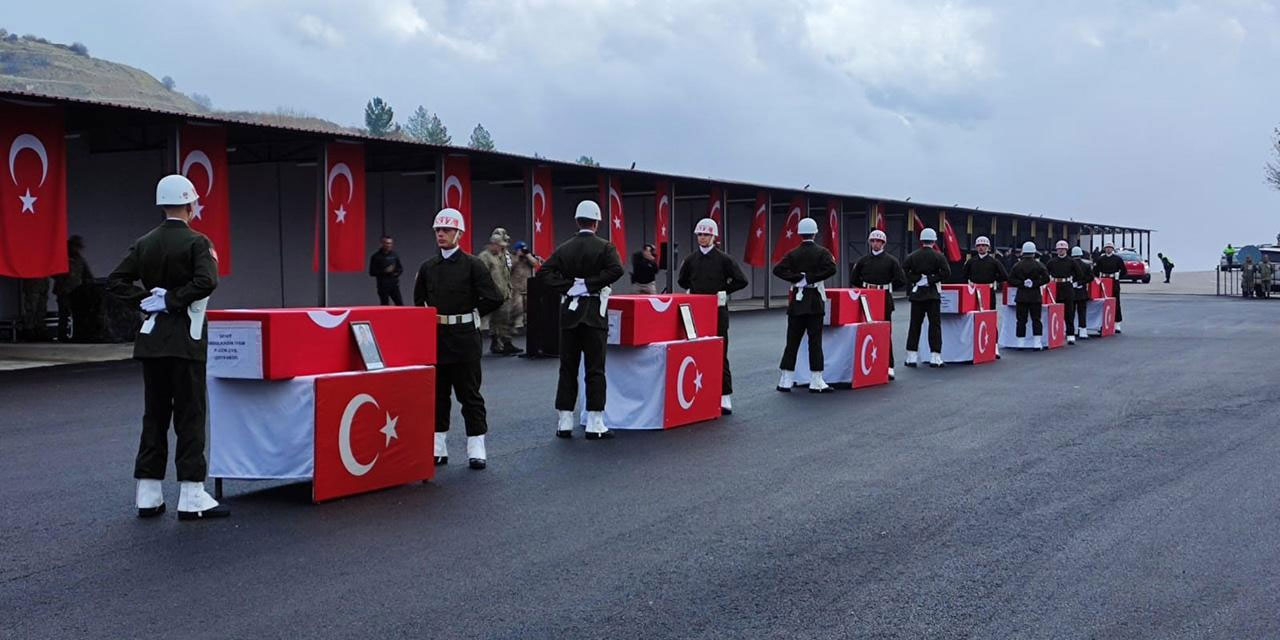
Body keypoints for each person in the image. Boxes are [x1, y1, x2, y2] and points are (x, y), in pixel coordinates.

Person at [106, 174, 225, 520]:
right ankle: (191, 494)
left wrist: (146, 299)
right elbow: (207, 281)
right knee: (190, 415)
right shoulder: (198, 242)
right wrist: (173, 300)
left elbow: (115, 281)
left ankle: (148, 492)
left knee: (154, 416)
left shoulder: (144, 243)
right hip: (186, 340)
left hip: (151, 340)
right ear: (190, 204)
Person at [413, 209, 504, 469]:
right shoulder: (428, 267)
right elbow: (419, 301)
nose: (441, 234)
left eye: (447, 230)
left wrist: (474, 313)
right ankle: (437, 446)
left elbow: (495, 296)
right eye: (438, 230)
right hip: (438, 336)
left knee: (469, 394)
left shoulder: (473, 265)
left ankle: (476, 446)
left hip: (465, 336)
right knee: (438, 395)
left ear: (459, 234)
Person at [537, 201, 625, 439]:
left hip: (569, 312)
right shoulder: (605, 247)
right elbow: (617, 270)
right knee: (595, 368)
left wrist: (569, 287)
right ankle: (596, 422)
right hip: (594, 312)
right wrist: (589, 284)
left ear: (577, 221)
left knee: (567, 367)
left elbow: (543, 273)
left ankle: (564, 421)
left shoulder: (564, 248)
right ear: (596, 222)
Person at [677, 218, 749, 414]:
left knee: (720, 351)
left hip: (717, 310)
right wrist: (693, 290)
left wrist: (725, 290)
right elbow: (682, 280)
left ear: (714, 236)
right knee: (696, 349)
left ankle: (724, 396)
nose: (702, 238)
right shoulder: (691, 259)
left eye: (706, 235)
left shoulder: (725, 259)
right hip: (696, 310)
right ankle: (699, 392)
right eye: (700, 235)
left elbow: (742, 280)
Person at [774, 217, 837, 392]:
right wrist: (810, 278)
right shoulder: (823, 252)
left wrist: (798, 278)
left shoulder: (792, 254)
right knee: (815, 341)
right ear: (815, 233)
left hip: (797, 301)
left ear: (799, 234)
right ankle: (816, 380)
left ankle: (785, 379)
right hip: (815, 300)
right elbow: (831, 269)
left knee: (792, 341)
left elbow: (778, 269)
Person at [851, 229, 907, 378]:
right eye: (873, 241)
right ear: (870, 243)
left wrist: (886, 287)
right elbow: (854, 279)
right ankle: (866, 362)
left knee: (885, 332)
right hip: (866, 298)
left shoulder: (891, 261)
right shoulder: (862, 261)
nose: (875, 244)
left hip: (883, 298)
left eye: (878, 241)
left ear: (883, 243)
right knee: (866, 330)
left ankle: (889, 365)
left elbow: (901, 280)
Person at [902, 228, 951, 368]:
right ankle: (935, 357)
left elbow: (904, 270)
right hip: (933, 294)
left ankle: (911, 356)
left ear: (921, 240)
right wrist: (930, 279)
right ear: (934, 240)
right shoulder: (939, 256)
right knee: (934, 326)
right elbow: (946, 273)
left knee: (914, 325)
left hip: (917, 295)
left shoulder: (912, 256)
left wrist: (917, 279)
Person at [478, 230, 521, 355]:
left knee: (503, 318)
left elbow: (508, 272)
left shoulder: (502, 256)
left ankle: (500, 343)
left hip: (504, 292)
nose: (502, 248)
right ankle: (502, 343)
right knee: (500, 319)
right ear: (493, 244)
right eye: (500, 245)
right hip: (493, 294)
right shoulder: (485, 257)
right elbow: (482, 275)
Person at [1008, 241, 1051, 347]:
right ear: (1034, 252)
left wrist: (1022, 284)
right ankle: (1037, 343)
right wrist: (1034, 283)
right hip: (1035, 295)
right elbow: (1047, 278)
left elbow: (1010, 279)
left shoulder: (1017, 265)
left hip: (1021, 296)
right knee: (1036, 319)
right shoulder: (1039, 265)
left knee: (1021, 320)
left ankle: (1020, 343)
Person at [53, 236, 93, 341]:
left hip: (77, 291)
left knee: (78, 314)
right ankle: (62, 336)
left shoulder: (79, 259)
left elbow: (87, 274)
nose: (76, 249)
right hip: (63, 290)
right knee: (64, 314)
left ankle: (77, 335)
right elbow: (54, 273)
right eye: (75, 246)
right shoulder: (62, 258)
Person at [1046, 240, 1086, 345]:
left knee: (1069, 312)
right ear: (1056, 250)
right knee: (1055, 311)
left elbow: (1080, 274)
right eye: (1059, 249)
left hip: (1068, 287)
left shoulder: (1072, 262)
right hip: (1056, 288)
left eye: (1063, 249)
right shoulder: (1052, 262)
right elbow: (1045, 273)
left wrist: (1074, 282)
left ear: (1066, 250)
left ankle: (1070, 334)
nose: (1061, 251)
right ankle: (1058, 333)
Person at [962, 235, 1008, 311]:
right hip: (974, 290)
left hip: (989, 291)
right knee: (974, 311)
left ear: (988, 247)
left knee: (989, 311)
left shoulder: (994, 262)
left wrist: (994, 278)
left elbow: (1004, 276)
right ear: (976, 247)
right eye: (979, 245)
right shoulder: (971, 261)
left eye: (983, 245)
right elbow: (964, 276)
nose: (981, 247)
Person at [1092, 240, 1128, 333]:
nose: (1108, 249)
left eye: (1110, 248)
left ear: (1113, 249)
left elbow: (1124, 271)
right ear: (1104, 249)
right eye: (1107, 248)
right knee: (1102, 303)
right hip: (1103, 282)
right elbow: (1095, 271)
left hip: (1114, 282)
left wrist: (1118, 276)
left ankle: (1117, 323)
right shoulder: (1100, 259)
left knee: (1116, 302)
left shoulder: (1118, 259)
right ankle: (1102, 324)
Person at [509, 241, 541, 333]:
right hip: (516, 288)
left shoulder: (528, 259)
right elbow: (510, 267)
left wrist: (528, 255)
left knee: (529, 309)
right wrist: (518, 256)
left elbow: (536, 264)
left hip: (527, 287)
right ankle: (511, 325)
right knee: (517, 308)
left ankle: (527, 326)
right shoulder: (512, 257)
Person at [367, 235, 404, 306]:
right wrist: (385, 271)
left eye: (390, 243)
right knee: (385, 304)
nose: (388, 245)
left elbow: (400, 269)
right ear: (382, 244)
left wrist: (395, 273)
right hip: (383, 285)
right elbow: (372, 272)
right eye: (387, 243)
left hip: (394, 284)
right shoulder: (376, 256)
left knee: (399, 303)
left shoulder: (395, 255)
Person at [1070, 246, 1092, 339]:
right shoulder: (1086, 265)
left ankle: (1070, 331)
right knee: (1082, 312)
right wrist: (1081, 283)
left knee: (1070, 312)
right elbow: (1091, 277)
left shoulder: (1069, 265)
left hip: (1071, 291)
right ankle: (1083, 330)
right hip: (1082, 291)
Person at [19, 277, 50, 341]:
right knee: (31, 310)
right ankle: (29, 331)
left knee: (41, 310)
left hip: (42, 287)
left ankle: (40, 330)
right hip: (32, 287)